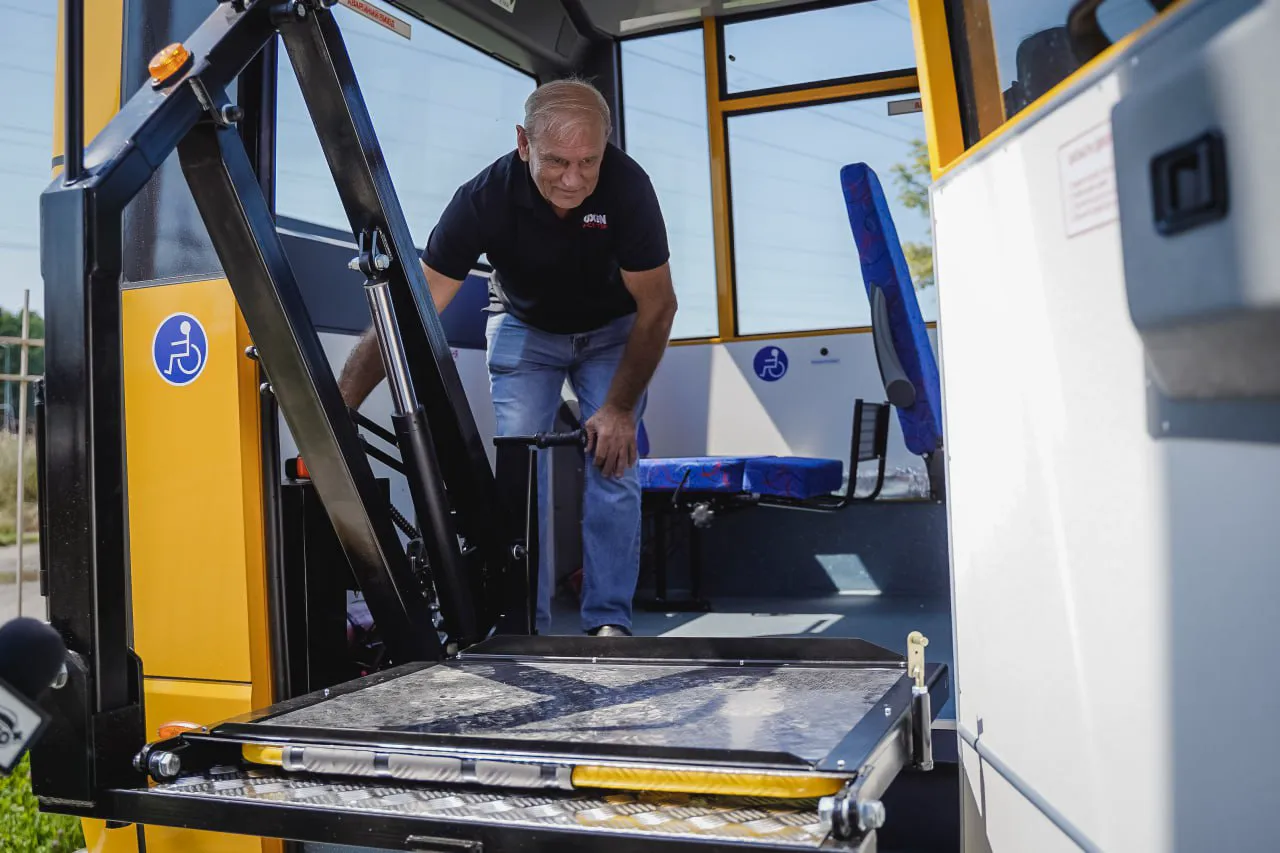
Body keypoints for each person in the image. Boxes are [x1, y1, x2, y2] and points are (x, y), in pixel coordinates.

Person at [336, 78, 677, 638]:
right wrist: (341, 405)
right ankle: (523, 629)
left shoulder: (628, 187)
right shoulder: (483, 198)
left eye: (588, 161)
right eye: (557, 161)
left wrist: (619, 409)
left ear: (606, 146)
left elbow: (658, 307)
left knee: (614, 464)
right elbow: (413, 309)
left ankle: (609, 625)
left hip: (612, 332)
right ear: (523, 143)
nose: (573, 179)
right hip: (525, 328)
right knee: (521, 475)